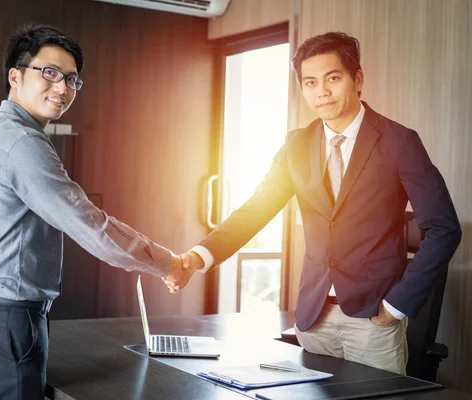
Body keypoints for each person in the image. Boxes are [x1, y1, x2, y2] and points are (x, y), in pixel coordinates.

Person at [167, 31, 461, 375]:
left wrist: (397, 305)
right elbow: (255, 210)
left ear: (358, 79)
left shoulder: (399, 142)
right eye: (310, 83)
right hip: (313, 318)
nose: (321, 92)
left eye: (332, 79)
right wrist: (199, 256)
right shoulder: (297, 145)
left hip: (373, 320)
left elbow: (443, 228)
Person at [0, 24, 188, 400]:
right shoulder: (22, 143)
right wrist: (167, 262)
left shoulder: (1, 133)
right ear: (15, 75)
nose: (62, 88)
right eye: (50, 73)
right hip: (5, 318)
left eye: (72, 80)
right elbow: (87, 222)